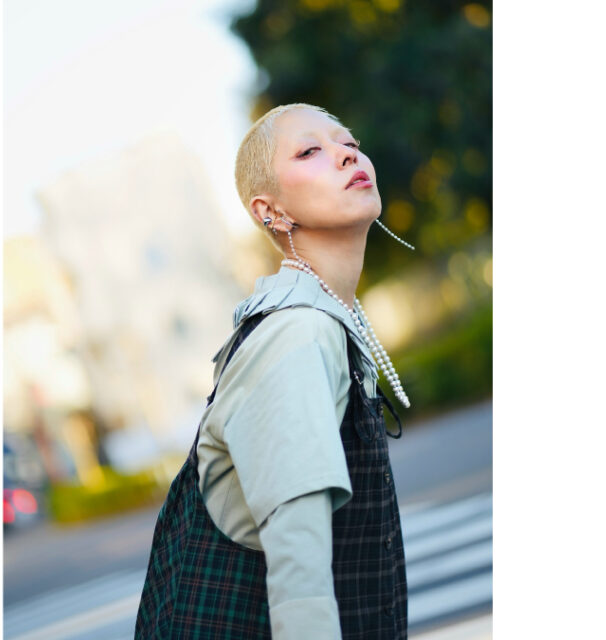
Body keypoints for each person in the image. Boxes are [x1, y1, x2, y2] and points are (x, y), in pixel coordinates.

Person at [135, 104, 409, 639]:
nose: (346, 155)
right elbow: (298, 561)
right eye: (310, 151)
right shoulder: (298, 332)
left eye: (348, 142)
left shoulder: (320, 318)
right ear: (270, 211)